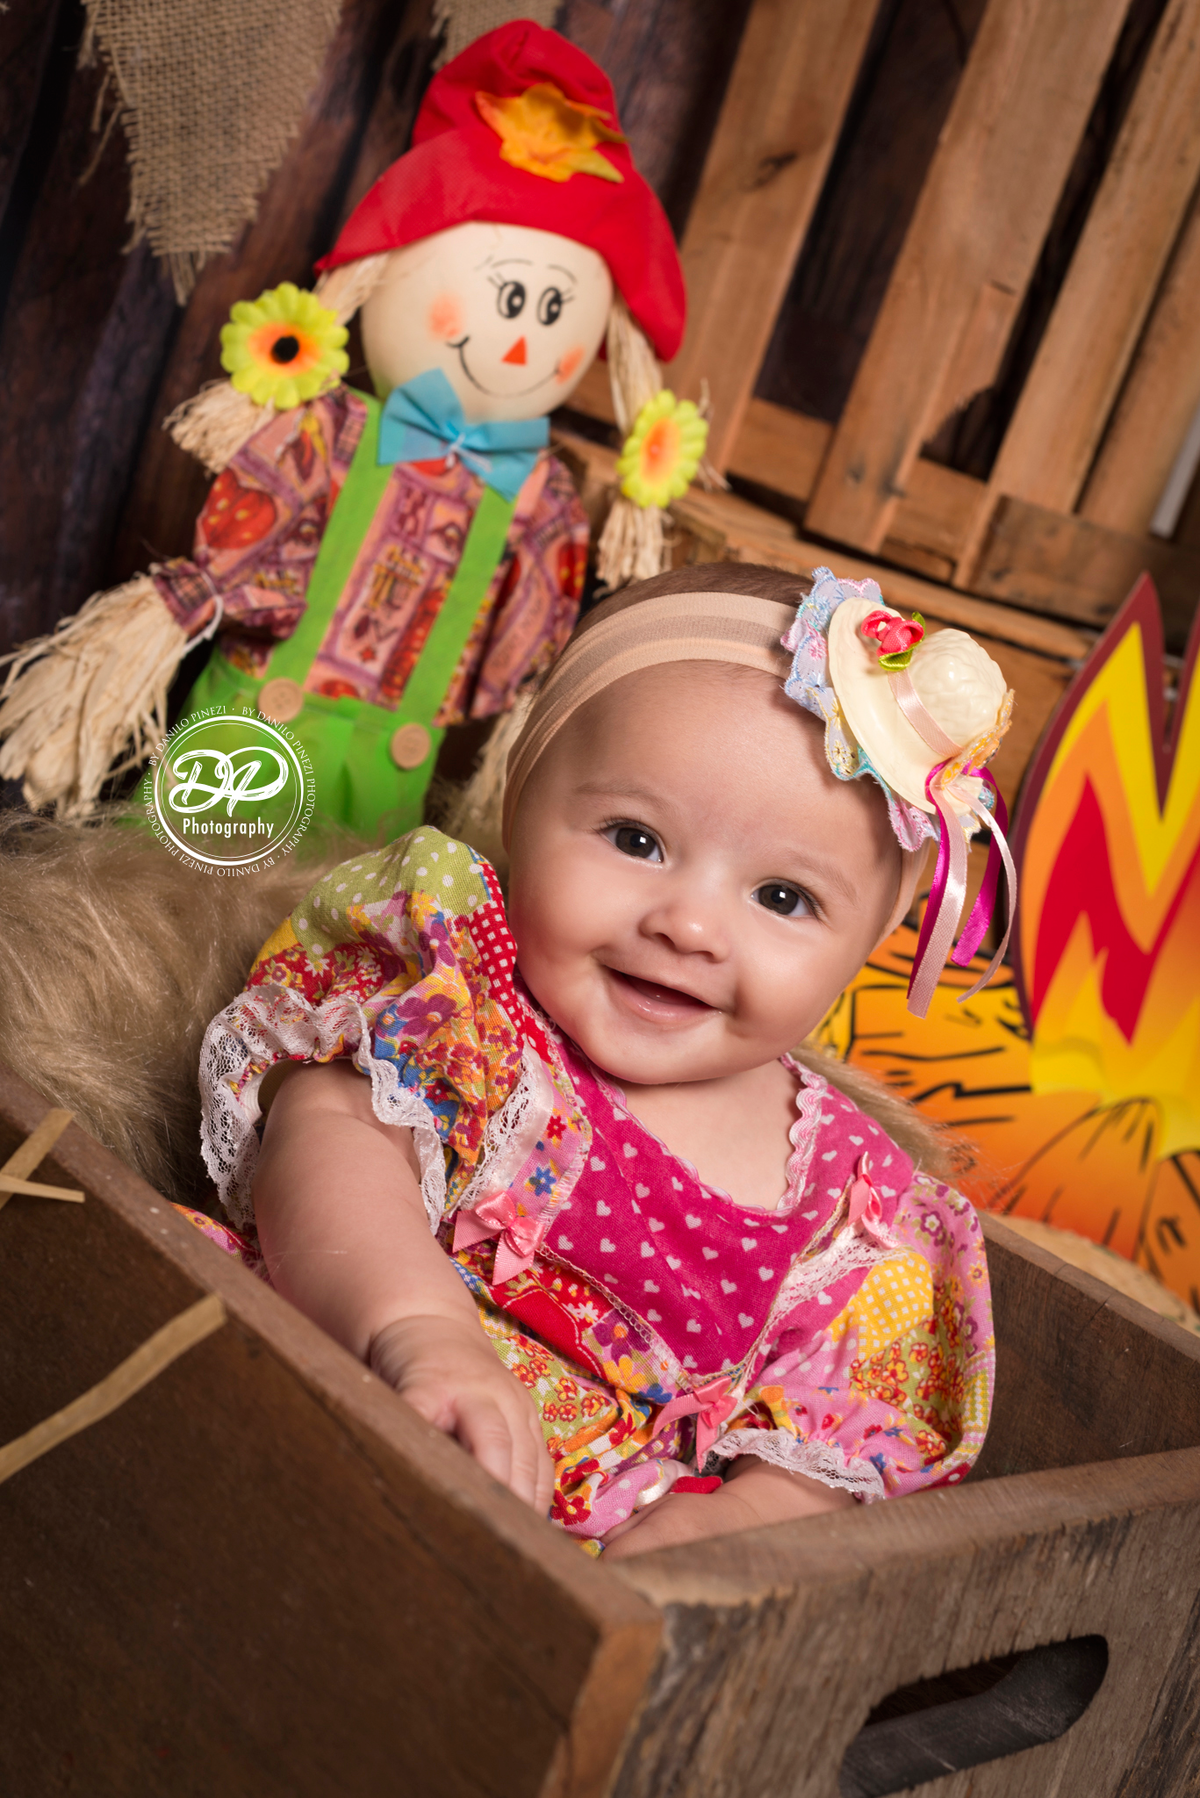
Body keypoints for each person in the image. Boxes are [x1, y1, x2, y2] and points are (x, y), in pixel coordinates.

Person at [197, 563, 1010, 1556]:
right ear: (522, 796)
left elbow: (838, 1440)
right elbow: (328, 1137)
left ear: (871, 940)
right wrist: (415, 1326)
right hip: (328, 1377)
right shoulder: (469, 991)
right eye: (635, 837)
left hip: (583, 1550)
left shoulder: (854, 1198)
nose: (691, 924)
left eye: (785, 899)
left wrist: (738, 1519)